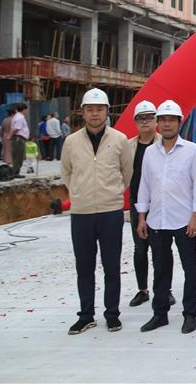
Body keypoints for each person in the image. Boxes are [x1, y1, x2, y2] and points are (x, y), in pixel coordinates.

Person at [60, 88, 131, 335]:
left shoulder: (119, 140)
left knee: (111, 266)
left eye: (99, 109)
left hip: (110, 212)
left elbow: (126, 172)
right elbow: (66, 172)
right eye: (90, 109)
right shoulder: (71, 142)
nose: (94, 114)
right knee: (84, 267)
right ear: (83, 112)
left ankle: (112, 314)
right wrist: (78, 193)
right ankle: (86, 315)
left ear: (107, 111)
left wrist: (112, 192)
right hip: (82, 213)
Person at [136, 100, 196, 334]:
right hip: (157, 219)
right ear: (158, 123)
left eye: (171, 120)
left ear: (179, 122)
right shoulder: (150, 152)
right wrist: (142, 217)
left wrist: (195, 216)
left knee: (190, 269)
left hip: (184, 220)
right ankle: (160, 314)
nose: (167, 124)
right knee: (161, 269)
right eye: (163, 120)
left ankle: (190, 314)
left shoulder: (192, 150)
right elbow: (144, 185)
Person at [124, 101, 163, 308]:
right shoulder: (128, 146)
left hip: (159, 203)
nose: (145, 121)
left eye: (149, 117)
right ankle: (143, 289)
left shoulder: (164, 143)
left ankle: (164, 289)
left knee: (160, 249)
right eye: (141, 118)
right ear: (135, 122)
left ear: (156, 121)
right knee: (140, 249)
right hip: (137, 203)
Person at [9, 103, 29, 178]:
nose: (27, 111)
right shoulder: (20, 118)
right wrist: (10, 136)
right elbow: (16, 128)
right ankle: (15, 173)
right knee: (18, 156)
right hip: (19, 139)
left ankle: (15, 172)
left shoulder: (17, 117)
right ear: (24, 110)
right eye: (27, 109)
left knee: (17, 156)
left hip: (18, 138)